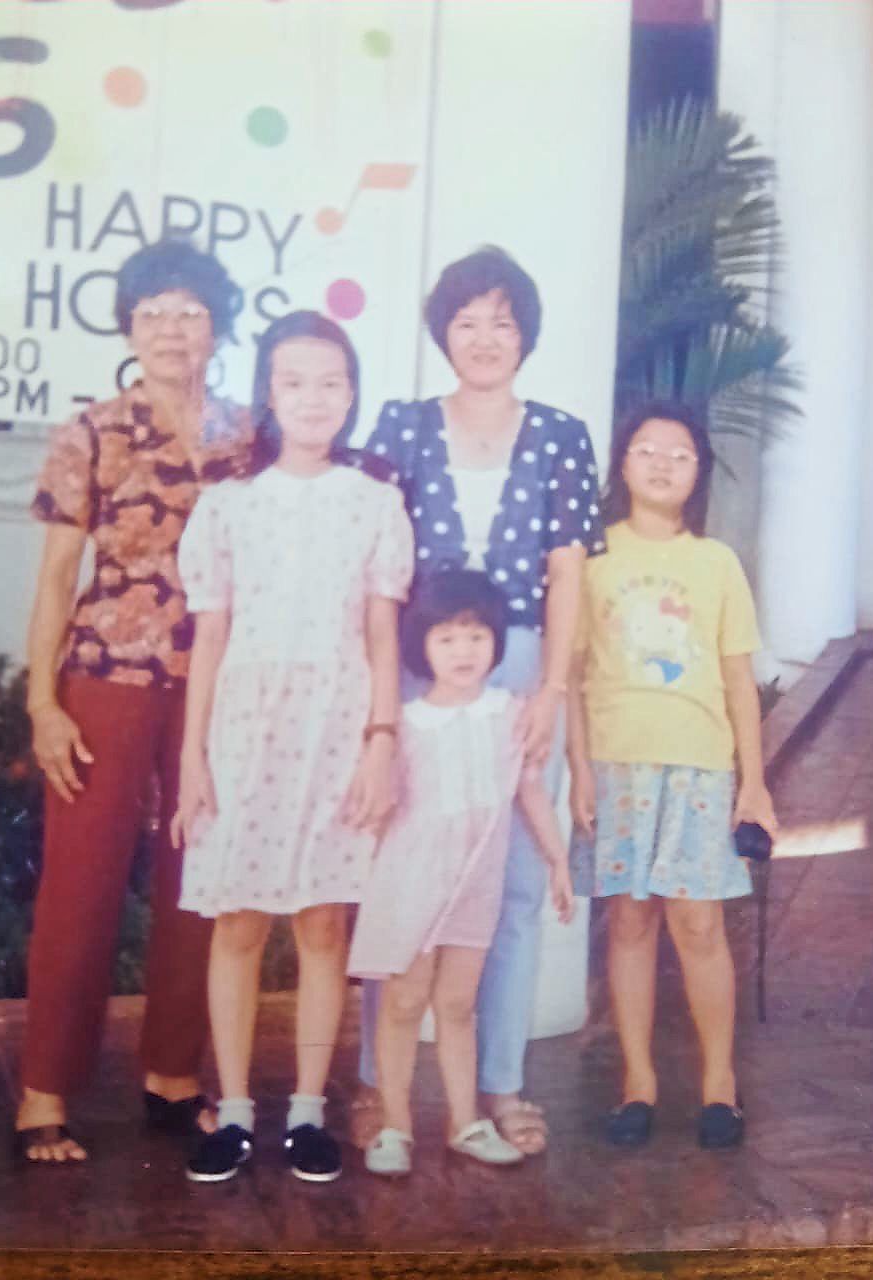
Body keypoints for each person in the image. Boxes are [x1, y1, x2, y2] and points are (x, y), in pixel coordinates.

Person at [352, 246, 604, 1155]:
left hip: (525, 660)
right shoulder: (402, 425)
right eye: (467, 321)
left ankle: (500, 1081)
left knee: (518, 882)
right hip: (421, 662)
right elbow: (378, 565)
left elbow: (567, 571)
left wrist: (551, 688)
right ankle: (381, 1086)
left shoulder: (562, 434)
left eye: (503, 321)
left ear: (525, 333)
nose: (486, 338)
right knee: (400, 873)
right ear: (443, 333)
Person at [14, 239, 251, 1165]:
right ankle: (43, 1091)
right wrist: (43, 701)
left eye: (189, 313)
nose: (169, 329)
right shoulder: (91, 432)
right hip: (105, 683)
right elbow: (54, 580)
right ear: (127, 326)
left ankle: (173, 1076)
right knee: (80, 887)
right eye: (152, 312)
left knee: (200, 884)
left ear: (216, 328)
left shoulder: (249, 434)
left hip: (222, 690)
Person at [173, 311, 414, 1185]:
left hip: (336, 733)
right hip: (245, 733)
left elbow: (384, 638)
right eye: (293, 381)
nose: (313, 399)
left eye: (330, 382)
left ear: (352, 395)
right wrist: (194, 756)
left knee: (321, 926)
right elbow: (208, 640)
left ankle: (308, 1111)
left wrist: (381, 742)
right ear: (268, 395)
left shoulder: (376, 504)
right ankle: (233, 1110)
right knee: (237, 925)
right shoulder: (227, 506)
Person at [566, 400, 778, 1150]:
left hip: (699, 766)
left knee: (697, 922)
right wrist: (578, 772)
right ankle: (638, 1084)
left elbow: (736, 679)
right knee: (629, 919)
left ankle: (719, 1084)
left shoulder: (716, 563)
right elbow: (572, 675)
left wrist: (753, 783)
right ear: (622, 464)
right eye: (647, 450)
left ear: (697, 472)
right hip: (617, 764)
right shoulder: (592, 559)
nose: (661, 463)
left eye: (680, 453)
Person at [349, 570, 575, 1177]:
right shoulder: (406, 722)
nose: (463, 651)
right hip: (413, 882)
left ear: (496, 643)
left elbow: (530, 793)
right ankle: (394, 1125)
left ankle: (464, 1121)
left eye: (475, 636)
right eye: (447, 638)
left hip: (476, 881)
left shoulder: (511, 714)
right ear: (422, 645)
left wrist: (557, 860)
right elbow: (377, 811)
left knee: (457, 1004)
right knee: (403, 1003)